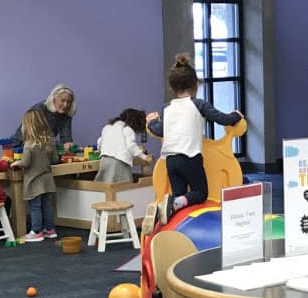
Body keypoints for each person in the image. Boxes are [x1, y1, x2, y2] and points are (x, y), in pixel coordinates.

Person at [146, 54, 243, 223]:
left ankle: (170, 221)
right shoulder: (199, 105)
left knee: (179, 199)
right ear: (195, 85)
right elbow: (222, 119)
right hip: (190, 158)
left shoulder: (167, 108)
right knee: (199, 193)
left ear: (172, 87)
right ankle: (171, 206)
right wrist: (236, 115)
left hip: (170, 160)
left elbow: (160, 130)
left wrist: (152, 121)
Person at [12, 108, 60, 242]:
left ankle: (36, 231)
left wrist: (17, 163)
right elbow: (55, 159)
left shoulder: (29, 145)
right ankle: (50, 230)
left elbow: (26, 162)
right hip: (47, 179)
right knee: (47, 205)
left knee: (35, 207)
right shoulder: (49, 142)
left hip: (34, 181)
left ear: (27, 126)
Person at [11, 84, 76, 151]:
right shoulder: (39, 109)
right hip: (20, 145)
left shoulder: (66, 113)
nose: (65, 105)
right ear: (54, 99)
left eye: (69, 102)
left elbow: (66, 139)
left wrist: (68, 144)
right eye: (63, 100)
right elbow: (33, 136)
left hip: (42, 148)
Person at [95, 108, 153, 184]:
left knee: (106, 185)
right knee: (124, 187)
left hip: (105, 160)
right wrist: (145, 157)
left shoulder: (107, 127)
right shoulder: (127, 129)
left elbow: (100, 142)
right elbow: (131, 146)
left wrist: (100, 151)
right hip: (119, 162)